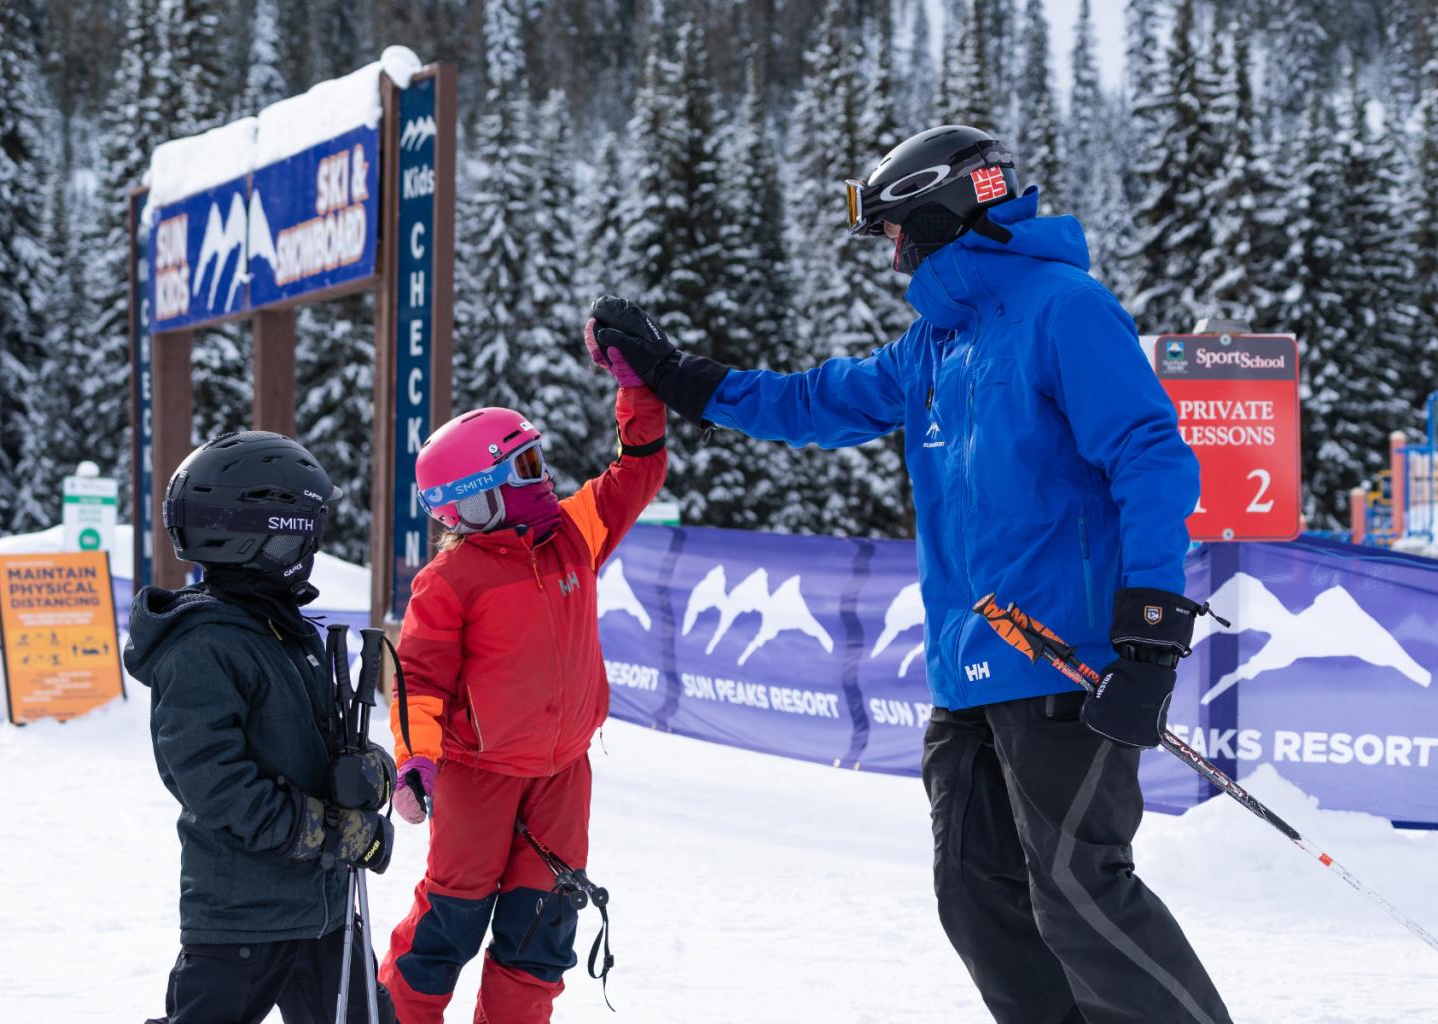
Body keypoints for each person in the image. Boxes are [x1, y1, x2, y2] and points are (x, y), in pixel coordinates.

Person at [586, 126, 1234, 1024]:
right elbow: (816, 402)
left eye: (895, 229)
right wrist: (673, 374)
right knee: (979, 902)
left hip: (1067, 664)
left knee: (1079, 894)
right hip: (968, 668)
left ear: (941, 210)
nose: (892, 252)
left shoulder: (1063, 309)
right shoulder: (932, 345)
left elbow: (1150, 453)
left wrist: (1152, 630)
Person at [378, 370, 667, 1021]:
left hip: (563, 774)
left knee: (542, 927)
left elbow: (635, 476)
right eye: (523, 466)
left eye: (536, 459)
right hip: (478, 777)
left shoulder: (572, 535)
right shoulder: (451, 581)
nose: (542, 479)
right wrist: (415, 760)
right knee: (449, 922)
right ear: (477, 499)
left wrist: (638, 392)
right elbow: (418, 683)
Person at [127, 431, 397, 1024]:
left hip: (323, 911)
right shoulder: (204, 648)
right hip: (242, 916)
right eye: (308, 527)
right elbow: (213, 782)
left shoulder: (281, 631)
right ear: (271, 537)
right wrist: (325, 832)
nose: (315, 546)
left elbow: (324, 742)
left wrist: (369, 769)